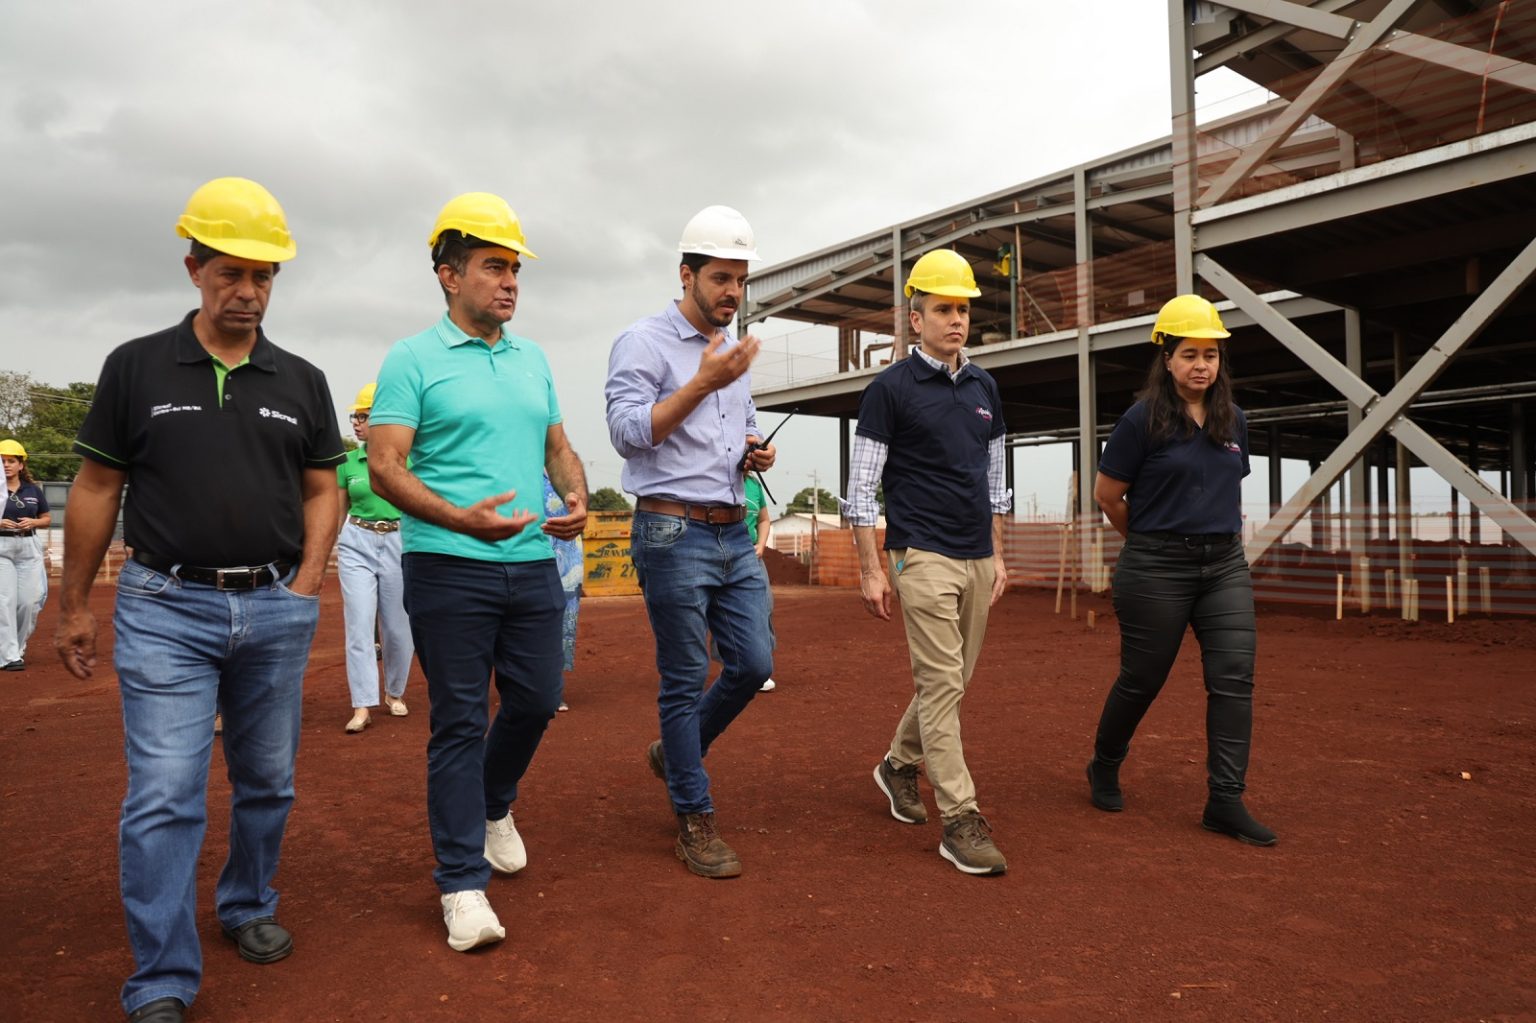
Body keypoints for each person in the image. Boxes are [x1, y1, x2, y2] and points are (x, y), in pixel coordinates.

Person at [53, 177, 345, 1023]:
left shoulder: (301, 379)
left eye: (263, 276)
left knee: (267, 779)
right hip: (163, 605)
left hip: (273, 605)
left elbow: (324, 489)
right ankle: (162, 977)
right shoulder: (135, 366)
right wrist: (75, 603)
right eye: (230, 273)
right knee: (166, 791)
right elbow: (96, 485)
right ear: (193, 269)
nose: (247, 292)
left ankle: (248, 901)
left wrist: (306, 581)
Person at [367, 192, 587, 953]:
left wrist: (577, 493)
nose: (510, 282)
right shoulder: (412, 359)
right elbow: (384, 463)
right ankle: (462, 885)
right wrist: (458, 517)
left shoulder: (533, 359)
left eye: (515, 269)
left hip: (530, 562)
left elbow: (558, 446)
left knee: (538, 696)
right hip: (446, 564)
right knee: (459, 718)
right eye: (495, 267)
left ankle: (495, 804)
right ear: (447, 275)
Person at [605, 204, 776, 879]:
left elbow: (737, 431)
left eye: (739, 279)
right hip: (671, 529)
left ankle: (677, 752)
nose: (732, 292)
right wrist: (702, 382)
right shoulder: (642, 342)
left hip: (733, 528)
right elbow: (625, 432)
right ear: (687, 274)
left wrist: (751, 453)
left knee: (754, 660)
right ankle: (693, 816)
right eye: (720, 278)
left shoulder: (735, 352)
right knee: (684, 676)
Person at [1085, 294, 1276, 847]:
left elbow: (1220, 487)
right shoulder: (1140, 420)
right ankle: (1104, 763)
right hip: (1155, 565)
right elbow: (1109, 495)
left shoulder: (1233, 419)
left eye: (1211, 355)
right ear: (1166, 358)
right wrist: (1149, 543)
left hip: (1224, 565)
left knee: (1234, 680)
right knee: (1143, 679)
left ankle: (1225, 800)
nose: (1201, 365)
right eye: (1190, 353)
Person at [847, 248, 1011, 877]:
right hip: (921, 554)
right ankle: (961, 820)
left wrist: (997, 551)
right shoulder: (888, 390)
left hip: (975, 556)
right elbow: (863, 488)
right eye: (943, 309)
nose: (956, 320)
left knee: (952, 682)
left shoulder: (984, 385)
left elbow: (995, 476)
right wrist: (870, 566)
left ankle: (896, 766)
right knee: (943, 684)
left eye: (963, 309)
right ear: (915, 318)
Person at [336, 382, 412, 733]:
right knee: (359, 625)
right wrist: (329, 549)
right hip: (357, 542)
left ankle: (394, 693)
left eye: (363, 416)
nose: (356, 422)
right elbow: (338, 512)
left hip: (398, 541)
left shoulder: (407, 460)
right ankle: (361, 705)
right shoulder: (347, 463)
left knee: (398, 628)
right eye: (355, 416)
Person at [1, 439, 50, 670]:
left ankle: (17, 647)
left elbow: (47, 518)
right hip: (2, 547)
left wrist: (35, 521)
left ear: (21, 465)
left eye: (11, 461)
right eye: (2, 461)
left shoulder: (33, 490)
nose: (6, 465)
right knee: (5, 602)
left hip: (29, 545)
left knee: (30, 602)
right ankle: (9, 656)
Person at [543, 474, 583, 712]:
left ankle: (553, 688)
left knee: (562, 616)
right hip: (525, 543)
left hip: (567, 549)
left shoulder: (564, 470)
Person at [744, 472, 777, 693]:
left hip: (752, 556)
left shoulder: (754, 485)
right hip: (722, 555)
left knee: (764, 607)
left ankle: (761, 668)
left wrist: (761, 544)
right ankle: (735, 666)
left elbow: (764, 519)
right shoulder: (716, 478)